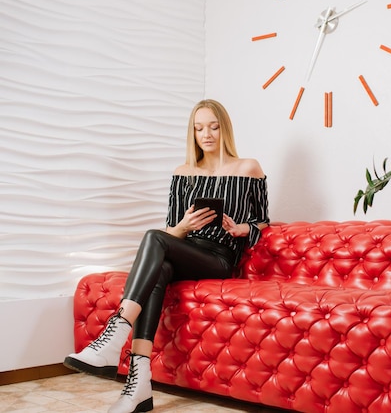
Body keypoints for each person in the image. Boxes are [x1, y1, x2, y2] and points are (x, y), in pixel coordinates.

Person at [64, 99, 269, 413]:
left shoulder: (249, 168)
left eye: (213, 126)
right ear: (193, 133)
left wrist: (242, 229)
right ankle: (139, 386)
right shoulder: (183, 173)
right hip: (187, 249)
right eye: (199, 128)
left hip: (220, 258)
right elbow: (170, 232)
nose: (207, 134)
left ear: (224, 129)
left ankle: (116, 333)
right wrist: (185, 225)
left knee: (151, 239)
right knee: (159, 268)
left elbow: (264, 220)